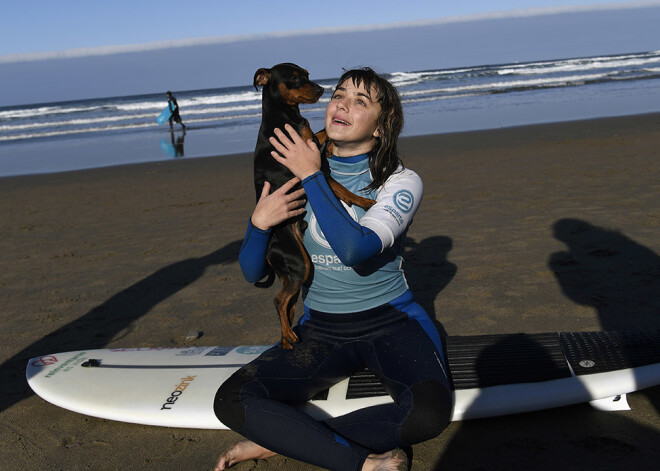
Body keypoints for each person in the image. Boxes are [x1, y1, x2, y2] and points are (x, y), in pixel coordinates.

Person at [213, 68, 451, 471]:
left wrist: (311, 174)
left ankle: (286, 438)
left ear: (382, 125)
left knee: (429, 413)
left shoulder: (399, 181)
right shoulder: (289, 169)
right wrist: (258, 225)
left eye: (361, 101)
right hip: (322, 330)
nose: (342, 104)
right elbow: (254, 274)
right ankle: (360, 460)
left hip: (391, 322)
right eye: (339, 95)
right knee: (231, 400)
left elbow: (354, 250)